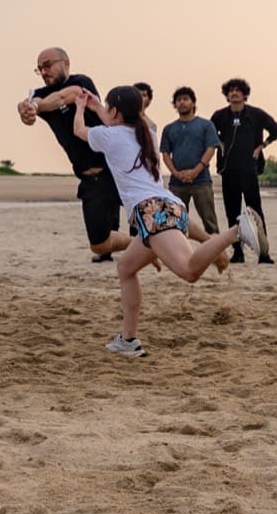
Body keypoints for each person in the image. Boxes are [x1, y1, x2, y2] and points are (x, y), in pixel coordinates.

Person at [70, 85, 254, 359]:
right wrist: (99, 106)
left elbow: (79, 131)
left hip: (152, 213)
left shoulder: (108, 136)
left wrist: (81, 108)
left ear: (116, 111)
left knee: (189, 271)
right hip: (168, 206)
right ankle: (128, 340)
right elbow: (116, 123)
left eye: (109, 109)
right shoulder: (147, 133)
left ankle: (238, 230)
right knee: (125, 269)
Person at [17, 48, 127, 263]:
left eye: (48, 65)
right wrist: (26, 109)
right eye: (39, 68)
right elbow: (29, 111)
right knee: (99, 244)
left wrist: (37, 105)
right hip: (90, 179)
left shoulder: (81, 82)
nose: (43, 71)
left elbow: (63, 97)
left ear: (66, 63)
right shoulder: (39, 95)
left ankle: (206, 239)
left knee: (159, 217)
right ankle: (140, 245)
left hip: (115, 170)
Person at [210, 78, 277, 264]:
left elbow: (276, 130)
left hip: (249, 169)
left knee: (255, 210)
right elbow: (208, 133)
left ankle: (263, 253)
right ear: (226, 94)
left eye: (238, 90)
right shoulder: (219, 116)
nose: (234, 93)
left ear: (244, 94)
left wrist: (261, 146)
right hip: (228, 170)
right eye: (230, 91)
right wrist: (221, 143)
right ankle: (237, 252)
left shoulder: (256, 114)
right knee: (232, 212)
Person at [159, 86, 219, 234]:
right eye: (178, 100)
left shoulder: (206, 125)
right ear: (175, 105)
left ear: (193, 102)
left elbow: (211, 148)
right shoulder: (169, 129)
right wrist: (175, 173)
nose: (182, 103)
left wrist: (195, 171)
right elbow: (165, 153)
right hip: (177, 183)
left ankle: (217, 255)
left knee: (209, 220)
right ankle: (179, 254)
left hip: (201, 181)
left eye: (185, 99)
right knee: (175, 222)